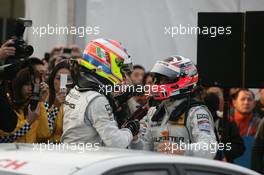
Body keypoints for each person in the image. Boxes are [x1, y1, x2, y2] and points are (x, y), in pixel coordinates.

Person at [61, 38, 140, 148]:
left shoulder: (77, 90)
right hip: (87, 160)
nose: (123, 76)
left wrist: (116, 102)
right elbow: (117, 142)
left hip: (71, 157)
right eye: (121, 69)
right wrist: (131, 129)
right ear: (107, 64)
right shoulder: (96, 99)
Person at [137, 55, 217, 159]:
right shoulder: (153, 113)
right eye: (157, 80)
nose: (158, 84)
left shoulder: (196, 112)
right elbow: (142, 151)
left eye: (164, 80)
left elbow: (210, 147)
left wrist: (182, 150)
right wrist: (135, 139)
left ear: (184, 79)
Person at [203, 92, 245, 162]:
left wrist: (221, 151)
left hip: (222, 165)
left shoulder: (226, 121)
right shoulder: (192, 120)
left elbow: (239, 147)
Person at [37, 61, 72, 143]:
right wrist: (55, 106)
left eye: (68, 79)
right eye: (59, 78)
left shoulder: (78, 100)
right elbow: (46, 130)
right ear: (52, 79)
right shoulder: (44, 97)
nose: (63, 82)